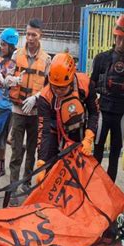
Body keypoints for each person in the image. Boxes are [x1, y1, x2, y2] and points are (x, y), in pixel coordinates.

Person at [5, 18, 51, 199]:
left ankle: (27, 185)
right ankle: (12, 190)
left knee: (32, 151)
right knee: (16, 152)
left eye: (34, 35)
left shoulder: (47, 60)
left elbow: (50, 87)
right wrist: (12, 80)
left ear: (41, 36)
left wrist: (36, 97)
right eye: (28, 34)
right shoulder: (17, 55)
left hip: (35, 112)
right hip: (18, 111)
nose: (30, 38)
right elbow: (7, 75)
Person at [92, 14, 124, 182]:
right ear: (115, 36)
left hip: (121, 112)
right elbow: (91, 84)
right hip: (103, 110)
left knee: (115, 153)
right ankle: (94, 186)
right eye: (119, 38)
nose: (122, 43)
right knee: (97, 150)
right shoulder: (101, 58)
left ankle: (109, 188)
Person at [36, 52, 99, 180]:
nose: (58, 91)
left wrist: (89, 137)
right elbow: (44, 130)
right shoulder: (45, 97)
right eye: (55, 87)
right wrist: (41, 161)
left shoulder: (84, 84)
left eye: (62, 88)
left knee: (76, 174)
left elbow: (94, 112)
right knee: (49, 171)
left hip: (78, 132)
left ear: (71, 81)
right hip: (54, 132)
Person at [0, 28, 19, 178]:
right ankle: (13, 147)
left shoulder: (16, 62)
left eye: (4, 45)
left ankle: (2, 167)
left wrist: (6, 81)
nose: (1, 47)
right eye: (1, 44)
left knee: (1, 136)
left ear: (11, 46)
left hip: (9, 107)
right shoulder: (1, 61)